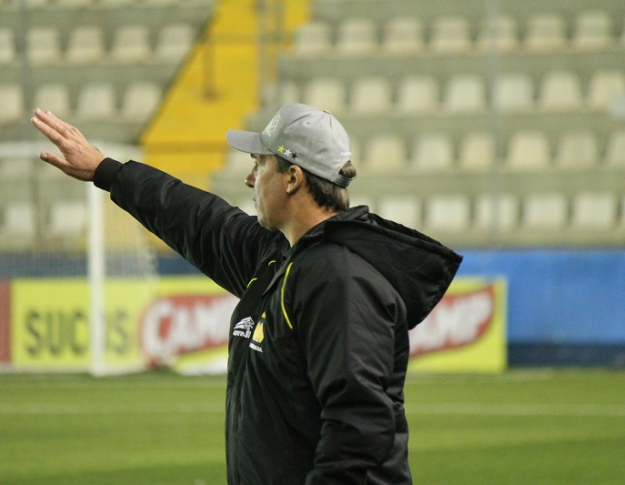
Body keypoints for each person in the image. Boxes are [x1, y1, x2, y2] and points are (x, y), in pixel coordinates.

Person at [31, 103, 462, 484]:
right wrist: (108, 172)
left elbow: (359, 427)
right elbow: (200, 220)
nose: (249, 178)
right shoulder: (282, 256)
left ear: (292, 178)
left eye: (260, 164)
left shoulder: (339, 281)